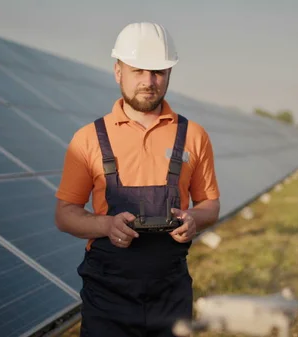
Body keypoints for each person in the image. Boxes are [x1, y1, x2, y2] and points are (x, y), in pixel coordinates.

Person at [54, 22, 221, 337]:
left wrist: (193, 219)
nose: (149, 81)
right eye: (138, 71)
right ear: (118, 71)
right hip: (107, 297)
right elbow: (65, 213)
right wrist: (107, 225)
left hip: (170, 293)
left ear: (169, 73)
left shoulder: (193, 136)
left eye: (158, 71)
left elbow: (210, 204)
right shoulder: (88, 139)